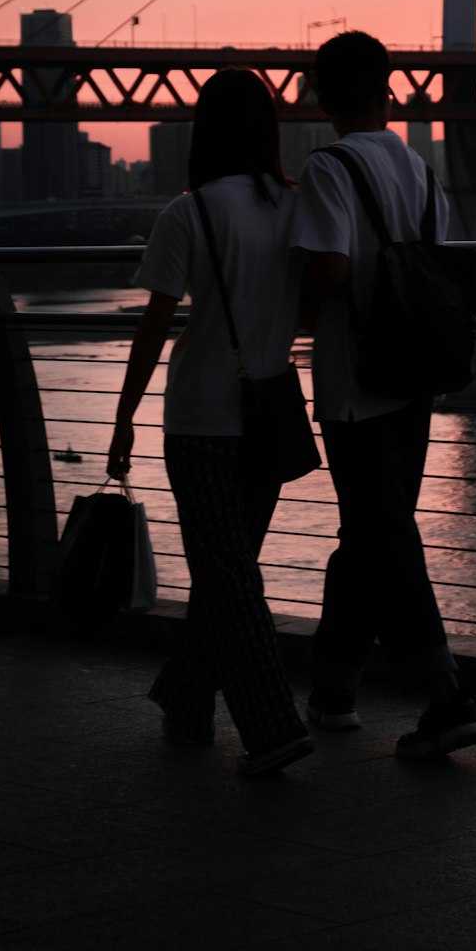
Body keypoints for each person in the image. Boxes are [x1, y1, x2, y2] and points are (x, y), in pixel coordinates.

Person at [106, 68, 311, 776]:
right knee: (229, 573)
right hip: (270, 411)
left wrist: (124, 420)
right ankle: (187, 703)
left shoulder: (186, 214)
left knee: (226, 577)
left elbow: (154, 329)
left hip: (198, 419)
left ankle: (271, 728)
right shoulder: (297, 207)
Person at [295, 30, 476, 758]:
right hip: (416, 374)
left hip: (355, 379)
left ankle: (446, 695)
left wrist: (290, 285)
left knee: (381, 531)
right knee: (372, 531)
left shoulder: (329, 167)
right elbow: (442, 259)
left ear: (321, 95)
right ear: (389, 88)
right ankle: (334, 688)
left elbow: (331, 268)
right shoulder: (417, 166)